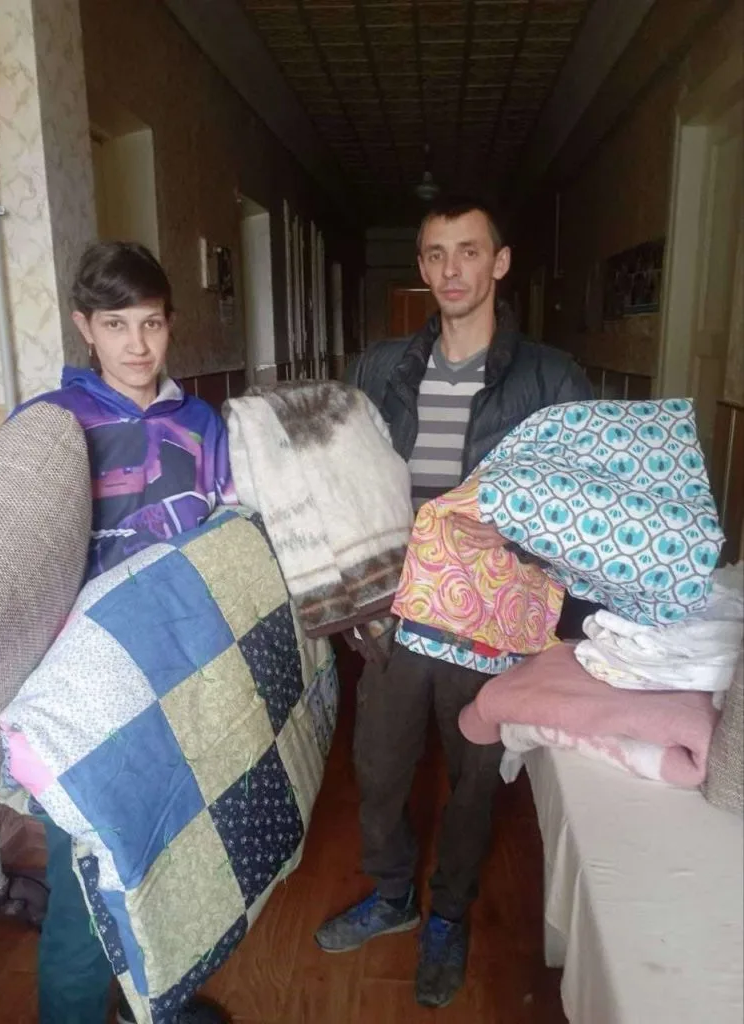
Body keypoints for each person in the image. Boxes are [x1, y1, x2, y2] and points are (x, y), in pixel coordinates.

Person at [315, 196, 594, 1009]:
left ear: (498, 263)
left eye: (468, 252)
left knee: (475, 777)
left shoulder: (549, 377)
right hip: (400, 614)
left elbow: (581, 504)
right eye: (436, 254)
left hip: (490, 621)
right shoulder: (381, 369)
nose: (450, 270)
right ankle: (395, 894)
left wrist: (558, 621)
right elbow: (346, 480)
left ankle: (447, 914)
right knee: (376, 767)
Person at [16, 242, 233, 1024]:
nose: (137, 345)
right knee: (83, 901)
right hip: (80, 700)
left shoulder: (202, 424)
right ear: (85, 327)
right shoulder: (50, 429)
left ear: (171, 323)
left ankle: (156, 1009)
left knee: (173, 868)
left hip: (181, 682)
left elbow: (229, 542)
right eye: (116, 324)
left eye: (151, 323)